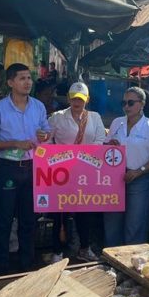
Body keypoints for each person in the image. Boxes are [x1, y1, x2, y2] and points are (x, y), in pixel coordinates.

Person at [0, 63, 50, 273]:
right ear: (10, 82)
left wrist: (44, 136)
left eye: (29, 78)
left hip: (32, 168)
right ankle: (1, 265)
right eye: (22, 78)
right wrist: (15, 143)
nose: (28, 82)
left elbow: (46, 132)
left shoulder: (38, 107)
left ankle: (26, 264)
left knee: (28, 219)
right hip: (8, 169)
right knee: (4, 218)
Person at [47, 82, 106, 262]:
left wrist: (81, 156)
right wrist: (62, 156)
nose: (77, 102)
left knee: (84, 211)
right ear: (68, 99)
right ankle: (58, 250)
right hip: (62, 171)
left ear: (87, 99)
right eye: (74, 98)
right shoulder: (56, 117)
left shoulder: (95, 118)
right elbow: (47, 142)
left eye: (80, 99)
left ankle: (84, 248)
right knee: (60, 212)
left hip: (85, 171)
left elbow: (100, 140)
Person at [104, 87, 149, 247]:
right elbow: (106, 148)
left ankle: (132, 264)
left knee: (135, 225)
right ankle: (112, 260)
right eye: (123, 102)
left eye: (131, 103)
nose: (126, 106)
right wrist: (110, 144)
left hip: (139, 179)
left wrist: (139, 171)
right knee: (112, 223)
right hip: (115, 178)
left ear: (142, 104)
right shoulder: (117, 123)